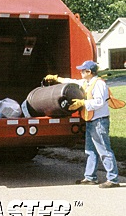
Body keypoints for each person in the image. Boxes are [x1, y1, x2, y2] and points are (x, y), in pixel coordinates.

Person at [45, 60, 120, 188]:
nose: (80, 72)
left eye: (82, 70)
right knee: (90, 150)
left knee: (104, 150)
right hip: (91, 121)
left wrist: (82, 103)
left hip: (99, 121)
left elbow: (99, 102)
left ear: (89, 72)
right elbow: (72, 81)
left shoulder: (99, 84)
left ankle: (113, 179)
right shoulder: (86, 82)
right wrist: (57, 78)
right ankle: (90, 177)